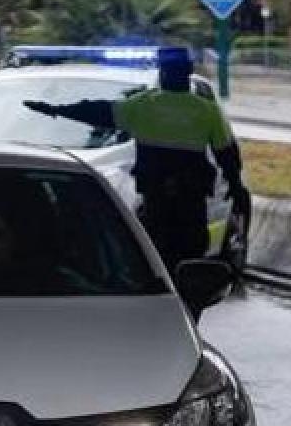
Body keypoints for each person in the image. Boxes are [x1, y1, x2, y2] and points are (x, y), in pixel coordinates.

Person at [24, 47, 248, 272]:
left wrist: (57, 110)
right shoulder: (207, 111)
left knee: (153, 258)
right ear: (188, 73)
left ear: (162, 74)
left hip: (155, 202)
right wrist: (236, 186)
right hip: (191, 204)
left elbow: (98, 110)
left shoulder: (142, 105)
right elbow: (227, 154)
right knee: (190, 258)